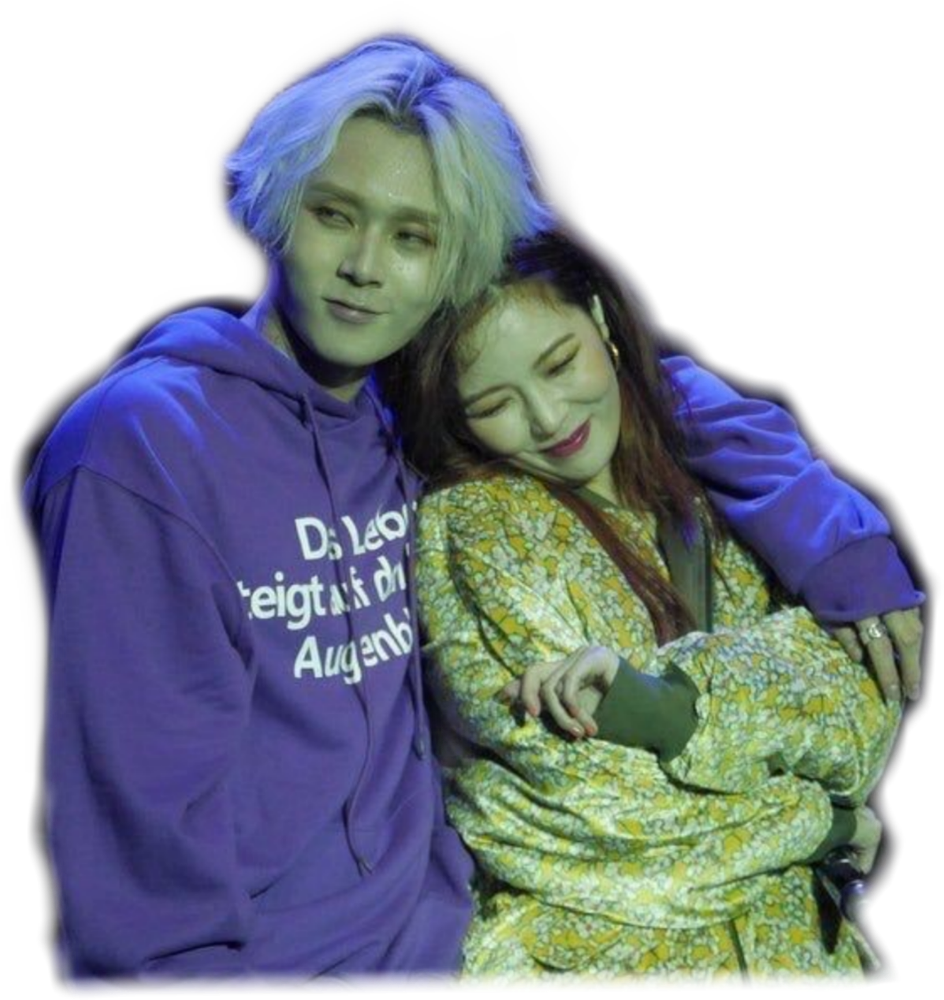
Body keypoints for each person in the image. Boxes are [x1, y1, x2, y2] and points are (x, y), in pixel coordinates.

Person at [21, 37, 919, 995]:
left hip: (440, 946)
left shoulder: (395, 421)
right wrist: (818, 822)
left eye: (413, 237)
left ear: (454, 260)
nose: (364, 266)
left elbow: (636, 398)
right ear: (279, 204)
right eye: (333, 214)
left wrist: (835, 534)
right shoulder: (143, 448)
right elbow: (142, 851)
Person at [383, 223, 908, 989]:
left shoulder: (736, 488)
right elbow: (585, 810)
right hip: (596, 964)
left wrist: (665, 706)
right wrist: (823, 821)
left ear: (600, 319)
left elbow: (861, 719)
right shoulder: (477, 528)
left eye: (558, 363)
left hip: (800, 957)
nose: (548, 418)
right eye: (495, 403)